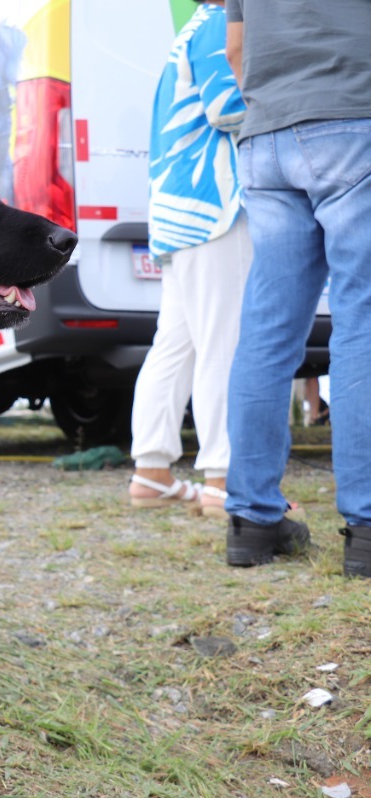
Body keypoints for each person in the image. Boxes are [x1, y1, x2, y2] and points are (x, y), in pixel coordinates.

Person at [223, 0, 371, 575]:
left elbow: (236, 48)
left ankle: (253, 521)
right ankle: (365, 524)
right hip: (355, 118)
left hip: (266, 138)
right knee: (362, 320)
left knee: (268, 329)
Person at [127, 0, 248, 520]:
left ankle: (152, 472)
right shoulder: (222, 24)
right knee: (224, 342)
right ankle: (224, 478)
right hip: (214, 207)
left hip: (179, 209)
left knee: (177, 345)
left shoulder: (194, 28)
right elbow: (227, 106)